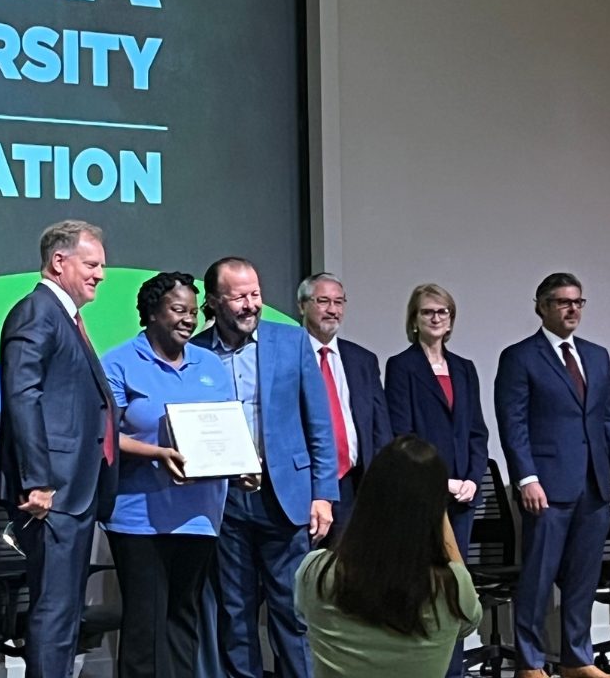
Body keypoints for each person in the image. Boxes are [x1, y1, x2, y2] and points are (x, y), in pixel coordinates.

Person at [192, 256, 338, 678]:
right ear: (215, 302)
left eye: (255, 294)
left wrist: (324, 494)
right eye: (239, 297)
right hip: (225, 501)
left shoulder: (291, 341)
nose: (251, 304)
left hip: (286, 497)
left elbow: (319, 425)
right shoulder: (196, 352)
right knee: (235, 615)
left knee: (293, 613)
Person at [493, 271, 610, 678]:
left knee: (584, 578)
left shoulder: (596, 355)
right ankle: (530, 661)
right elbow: (513, 424)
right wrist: (526, 478)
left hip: (595, 483)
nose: (572, 309)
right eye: (562, 302)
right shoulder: (520, 356)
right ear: (541, 306)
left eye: (578, 302)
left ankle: (577, 658)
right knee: (538, 578)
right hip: (548, 485)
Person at [0, 220, 120, 678]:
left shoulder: (62, 316)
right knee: (53, 611)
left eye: (102, 266)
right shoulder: (37, 312)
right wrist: (38, 480)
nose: (100, 275)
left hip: (75, 490)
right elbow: (22, 396)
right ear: (59, 262)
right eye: (92, 264)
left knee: (65, 612)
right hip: (53, 494)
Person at [99, 271, 233, 678]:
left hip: (199, 516)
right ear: (152, 314)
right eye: (178, 310)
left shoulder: (210, 364)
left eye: (193, 311)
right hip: (139, 518)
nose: (189, 319)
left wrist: (243, 468)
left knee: (182, 620)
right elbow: (103, 437)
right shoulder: (119, 362)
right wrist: (155, 452)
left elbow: (227, 431)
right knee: (144, 625)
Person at [294, 435, 483, 678]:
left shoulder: (315, 571)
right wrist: (438, 514)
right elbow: (468, 620)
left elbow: (302, 611)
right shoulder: (451, 585)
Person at [384, 283, 489, 678]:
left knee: (454, 588)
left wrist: (473, 480)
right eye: (427, 312)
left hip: (463, 496)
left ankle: (454, 670)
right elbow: (401, 435)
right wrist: (439, 481)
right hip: (422, 493)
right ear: (414, 319)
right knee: (422, 587)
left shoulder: (464, 368)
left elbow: (478, 433)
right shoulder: (402, 366)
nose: (435, 318)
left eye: (443, 312)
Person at [297, 272, 391, 533]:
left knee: (350, 569)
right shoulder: (288, 355)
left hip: (353, 484)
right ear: (302, 306)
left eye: (339, 302)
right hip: (304, 484)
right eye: (323, 301)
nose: (332, 310)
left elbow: (379, 427)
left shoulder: (363, 360)